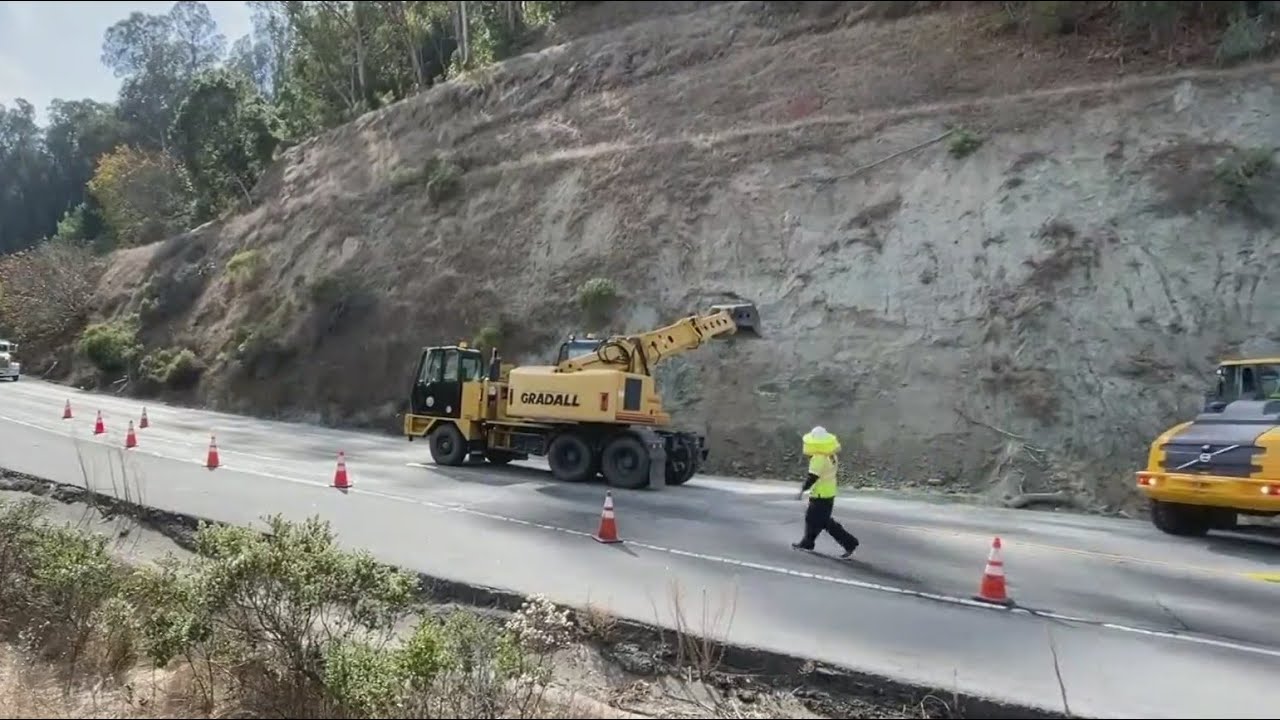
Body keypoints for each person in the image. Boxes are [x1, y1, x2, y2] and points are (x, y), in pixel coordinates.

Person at [792, 426, 859, 559]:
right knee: (815, 519)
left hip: (821, 494)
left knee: (822, 522)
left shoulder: (819, 458)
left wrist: (802, 489)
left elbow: (813, 477)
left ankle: (850, 543)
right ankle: (807, 542)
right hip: (829, 492)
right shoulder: (831, 455)